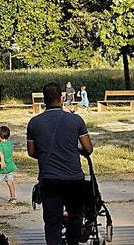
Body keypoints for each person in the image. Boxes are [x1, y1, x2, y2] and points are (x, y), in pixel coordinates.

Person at [27, 82, 94, 245]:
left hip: (49, 178)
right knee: (75, 217)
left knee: (52, 221)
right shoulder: (76, 120)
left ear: (44, 99)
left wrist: (46, 154)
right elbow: (88, 148)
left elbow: (31, 152)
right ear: (62, 98)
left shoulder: (34, 122)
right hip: (73, 178)